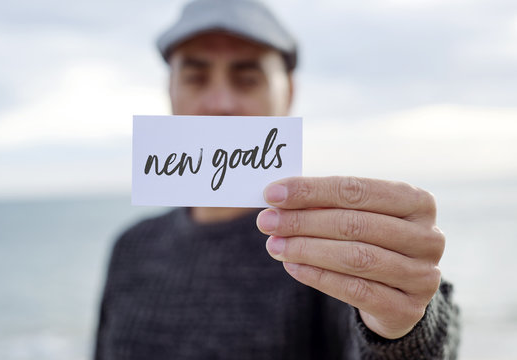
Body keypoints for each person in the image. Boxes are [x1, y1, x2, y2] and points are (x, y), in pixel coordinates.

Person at [94, 0, 460, 358]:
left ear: (288, 94)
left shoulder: (325, 245)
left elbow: (400, 342)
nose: (220, 103)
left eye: (247, 79)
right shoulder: (131, 247)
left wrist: (405, 324)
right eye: (195, 77)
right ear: (170, 90)